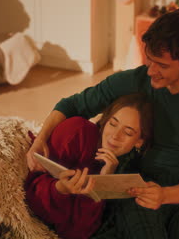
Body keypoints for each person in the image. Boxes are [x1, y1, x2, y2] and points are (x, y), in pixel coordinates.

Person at [26, 9, 179, 238]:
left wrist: (165, 195)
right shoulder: (136, 79)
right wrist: (40, 140)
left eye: (162, 66)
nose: (151, 71)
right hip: (140, 183)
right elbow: (72, 105)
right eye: (149, 60)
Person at [25, 93, 153, 239]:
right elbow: (32, 196)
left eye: (128, 132)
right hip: (38, 213)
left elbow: (80, 232)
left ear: (139, 142)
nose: (115, 136)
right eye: (112, 124)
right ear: (105, 121)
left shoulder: (126, 169)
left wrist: (104, 181)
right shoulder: (76, 131)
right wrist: (60, 189)